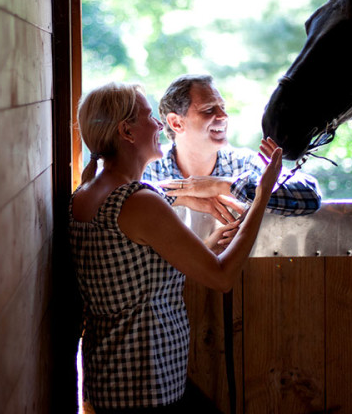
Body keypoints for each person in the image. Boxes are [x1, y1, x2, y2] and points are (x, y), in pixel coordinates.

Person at [70, 82, 282, 413]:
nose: (159, 125)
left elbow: (139, 275)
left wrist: (203, 237)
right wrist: (263, 193)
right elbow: (223, 277)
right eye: (150, 116)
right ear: (126, 131)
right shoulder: (139, 202)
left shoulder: (85, 194)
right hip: (145, 387)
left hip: (115, 382)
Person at [142, 74, 320, 228]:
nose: (223, 116)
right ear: (176, 123)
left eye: (223, 107)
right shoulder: (148, 168)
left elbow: (310, 195)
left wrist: (225, 185)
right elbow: (118, 199)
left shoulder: (245, 164)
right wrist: (180, 197)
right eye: (209, 109)